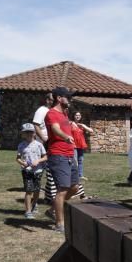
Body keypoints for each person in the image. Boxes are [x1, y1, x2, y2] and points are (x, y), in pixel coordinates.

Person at [44, 87, 80, 232]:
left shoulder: (64, 114)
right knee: (63, 189)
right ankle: (59, 224)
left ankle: (52, 209)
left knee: (74, 187)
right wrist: (66, 137)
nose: (70, 99)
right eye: (68, 97)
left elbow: (63, 126)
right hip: (58, 155)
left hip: (69, 155)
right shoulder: (51, 113)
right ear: (59, 98)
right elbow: (55, 129)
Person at [16, 123, 47, 219]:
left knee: (37, 190)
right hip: (27, 171)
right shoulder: (21, 145)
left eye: (31, 132)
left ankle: (34, 204)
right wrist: (22, 163)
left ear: (34, 133)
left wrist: (38, 161)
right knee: (29, 190)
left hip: (38, 170)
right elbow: (17, 158)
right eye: (26, 132)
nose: (29, 134)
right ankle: (28, 211)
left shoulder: (39, 145)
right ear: (23, 134)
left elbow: (45, 157)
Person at [71, 111, 94, 180]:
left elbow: (91, 130)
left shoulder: (82, 125)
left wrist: (83, 126)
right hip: (73, 145)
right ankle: (74, 175)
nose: (78, 116)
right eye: (76, 115)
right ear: (74, 116)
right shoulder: (70, 123)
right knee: (75, 161)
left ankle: (80, 175)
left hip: (80, 145)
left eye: (79, 115)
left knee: (80, 160)